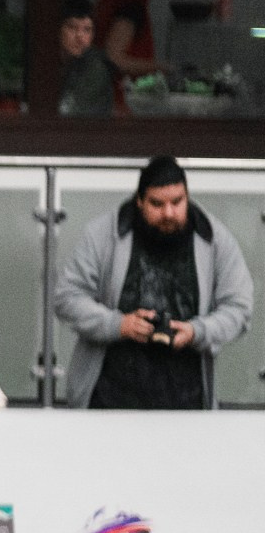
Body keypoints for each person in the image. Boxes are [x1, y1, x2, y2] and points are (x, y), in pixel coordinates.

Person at [53, 156, 254, 410]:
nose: (168, 212)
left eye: (177, 202)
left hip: (188, 402)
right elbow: (66, 298)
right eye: (157, 204)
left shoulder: (216, 240)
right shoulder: (102, 234)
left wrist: (196, 332)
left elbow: (239, 308)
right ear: (139, 201)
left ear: (188, 196)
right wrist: (119, 325)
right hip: (108, 399)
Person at [59, 0, 112, 119]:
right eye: (72, 27)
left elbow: (70, 114)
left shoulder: (96, 68)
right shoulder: (44, 58)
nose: (80, 37)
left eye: (87, 30)